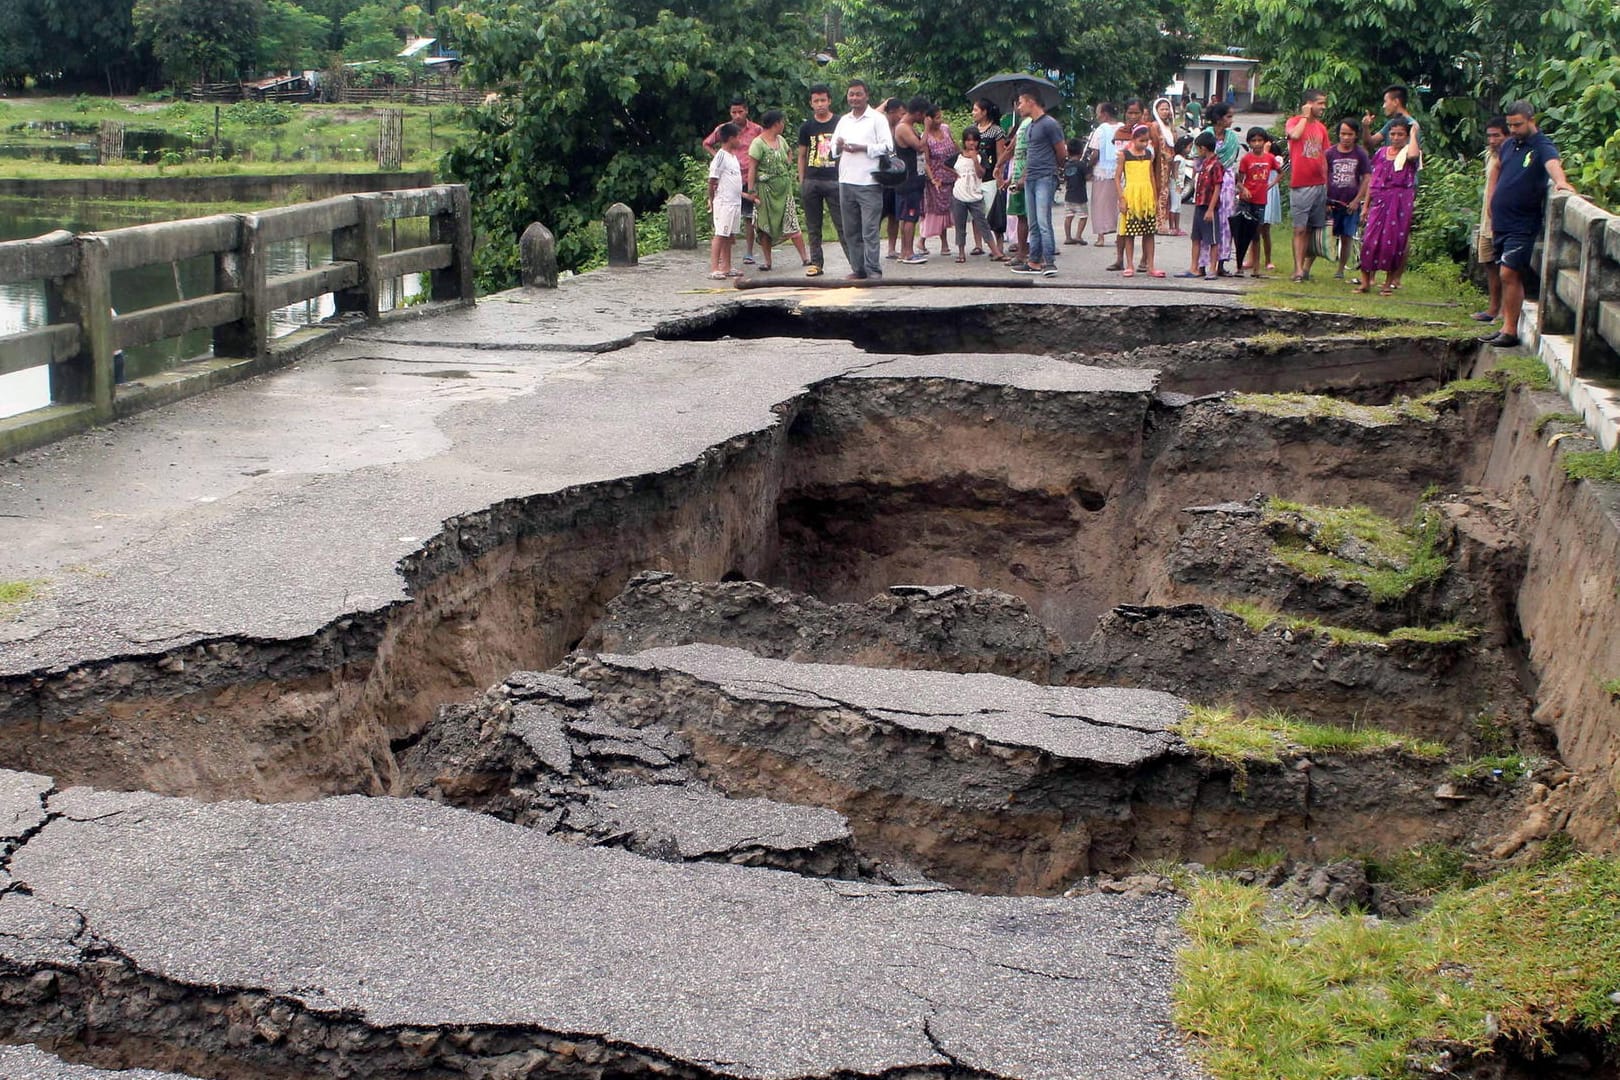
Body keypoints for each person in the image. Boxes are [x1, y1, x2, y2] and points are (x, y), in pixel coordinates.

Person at [1484, 101, 1578, 348]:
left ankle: (1510, 330)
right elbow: (1498, 170)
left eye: (1518, 124)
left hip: (1523, 223)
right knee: (1504, 274)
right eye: (1510, 124)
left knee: (1509, 272)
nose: (1513, 129)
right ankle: (1506, 324)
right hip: (1502, 220)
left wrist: (1561, 181)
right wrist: (1492, 201)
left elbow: (1552, 163)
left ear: (1531, 120)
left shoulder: (1541, 145)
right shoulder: (1509, 146)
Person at [832, 79, 893, 281]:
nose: (854, 98)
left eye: (858, 94)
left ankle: (873, 269)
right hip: (846, 181)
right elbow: (832, 150)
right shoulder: (844, 120)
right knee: (851, 230)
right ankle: (858, 269)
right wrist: (839, 146)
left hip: (870, 182)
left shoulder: (877, 119)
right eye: (851, 94)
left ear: (867, 95)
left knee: (870, 230)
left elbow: (888, 147)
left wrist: (863, 148)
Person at [1356, 117, 1421, 295]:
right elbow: (1372, 181)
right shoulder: (1381, 153)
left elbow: (1414, 155)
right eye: (1392, 134)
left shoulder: (1410, 154)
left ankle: (1387, 284)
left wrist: (1414, 133)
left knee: (1393, 242)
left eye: (1401, 134)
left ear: (1406, 136)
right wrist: (1365, 206)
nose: (1396, 137)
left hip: (1400, 203)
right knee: (1369, 240)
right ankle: (1365, 282)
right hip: (1379, 200)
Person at [747, 110, 810, 272]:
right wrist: (751, 190)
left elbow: (789, 152)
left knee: (791, 222)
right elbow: (752, 167)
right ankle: (768, 262)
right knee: (764, 226)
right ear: (776, 123)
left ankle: (805, 258)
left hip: (783, 189)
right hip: (765, 191)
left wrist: (787, 164)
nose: (783, 125)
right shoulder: (758, 143)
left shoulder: (781, 140)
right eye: (782, 122)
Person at [703, 97, 764, 264]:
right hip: (727, 184)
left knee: (748, 217)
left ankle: (748, 253)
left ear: (746, 111)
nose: (737, 116)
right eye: (733, 112)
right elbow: (707, 143)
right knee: (723, 230)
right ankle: (718, 265)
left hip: (747, 177)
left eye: (740, 112)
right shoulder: (724, 131)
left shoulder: (756, 129)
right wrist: (719, 158)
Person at [1013, 89, 1065, 275]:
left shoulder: (1049, 124)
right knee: (1033, 222)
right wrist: (1023, 176)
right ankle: (1034, 261)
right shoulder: (1030, 127)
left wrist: (1055, 169)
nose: (1019, 107)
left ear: (1030, 101)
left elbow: (1061, 151)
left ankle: (1049, 261)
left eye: (1020, 102)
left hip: (1045, 177)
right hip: (1031, 178)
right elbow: (1031, 154)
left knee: (1044, 221)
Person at [797, 83, 843, 278]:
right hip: (812, 180)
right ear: (811, 103)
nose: (820, 104)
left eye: (823, 100)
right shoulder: (807, 127)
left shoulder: (840, 123)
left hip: (835, 180)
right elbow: (802, 155)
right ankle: (816, 262)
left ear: (829, 101)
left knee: (842, 224)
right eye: (816, 101)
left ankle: (856, 263)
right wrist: (802, 180)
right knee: (813, 225)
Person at [1285, 88, 1330, 282]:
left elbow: (1325, 155)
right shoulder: (1294, 122)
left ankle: (1305, 268)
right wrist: (1304, 117)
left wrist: (1327, 183)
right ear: (1309, 104)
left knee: (1313, 228)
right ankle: (1296, 269)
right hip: (1301, 184)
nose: (1323, 107)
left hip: (1319, 183)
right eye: (1320, 103)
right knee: (1300, 228)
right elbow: (1294, 136)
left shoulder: (1321, 128)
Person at [1325, 119, 1372, 280]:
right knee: (1322, 232)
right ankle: (1306, 267)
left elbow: (1366, 178)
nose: (1346, 138)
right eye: (1343, 134)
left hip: (1350, 203)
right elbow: (1324, 175)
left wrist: (1357, 200)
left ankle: (1340, 270)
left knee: (1347, 236)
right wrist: (1324, 200)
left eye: (1349, 134)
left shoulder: (1360, 154)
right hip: (1331, 201)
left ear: (1356, 135)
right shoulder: (1330, 153)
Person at [1198, 102, 1241, 276]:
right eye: (1228, 117)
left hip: (1227, 182)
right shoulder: (1206, 135)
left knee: (1225, 222)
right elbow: (1198, 158)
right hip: (1208, 182)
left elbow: (1232, 159)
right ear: (1218, 118)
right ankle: (1202, 263)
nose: (1231, 120)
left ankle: (1221, 263)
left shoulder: (1232, 138)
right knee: (1206, 222)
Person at [1473, 117, 1508, 323]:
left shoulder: (1510, 157)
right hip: (1486, 220)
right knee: (1488, 263)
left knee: (1505, 267)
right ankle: (1493, 308)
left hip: (1501, 220)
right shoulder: (1490, 155)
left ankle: (1504, 310)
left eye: (1497, 135)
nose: (1493, 140)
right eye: (1490, 136)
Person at [1233, 127, 1281, 277]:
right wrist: (1243, 189)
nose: (1257, 144)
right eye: (1254, 141)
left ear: (1265, 142)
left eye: (1260, 140)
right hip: (1246, 200)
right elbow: (1239, 180)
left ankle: (1256, 269)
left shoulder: (1270, 158)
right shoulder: (1246, 159)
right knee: (1242, 234)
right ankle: (1239, 267)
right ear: (1249, 143)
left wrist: (1271, 185)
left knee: (1256, 234)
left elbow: (1280, 172)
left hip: (1261, 201)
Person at [1117, 124, 1162, 277]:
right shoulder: (1124, 155)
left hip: (1147, 195)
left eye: (1147, 141)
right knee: (1130, 233)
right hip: (1132, 195)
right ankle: (1129, 265)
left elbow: (1151, 176)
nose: (1144, 144)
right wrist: (1121, 198)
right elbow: (1117, 178)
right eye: (1141, 141)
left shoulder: (1149, 154)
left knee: (1149, 233)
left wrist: (1155, 200)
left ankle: (1151, 266)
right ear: (1134, 139)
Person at [951, 128, 1003, 261]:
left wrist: (975, 160)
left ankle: (996, 251)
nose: (971, 143)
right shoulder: (958, 156)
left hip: (975, 195)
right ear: (964, 142)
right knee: (960, 225)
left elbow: (981, 173)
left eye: (974, 140)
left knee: (983, 223)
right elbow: (946, 164)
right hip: (959, 195)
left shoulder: (981, 156)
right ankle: (961, 253)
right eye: (968, 140)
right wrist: (955, 175)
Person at [706, 123, 747, 279]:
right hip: (724, 202)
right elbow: (712, 181)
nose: (740, 140)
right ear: (731, 138)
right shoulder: (720, 156)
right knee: (720, 234)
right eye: (738, 137)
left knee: (729, 236)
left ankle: (727, 266)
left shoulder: (733, 157)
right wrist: (711, 200)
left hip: (735, 202)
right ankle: (715, 267)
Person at [891, 97, 929, 264]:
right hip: (908, 180)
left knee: (908, 216)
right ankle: (907, 252)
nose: (924, 119)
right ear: (918, 113)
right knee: (909, 216)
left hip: (914, 178)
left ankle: (905, 251)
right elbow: (920, 146)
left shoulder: (909, 127)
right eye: (923, 115)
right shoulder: (903, 128)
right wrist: (927, 129)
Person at [1181, 131, 1223, 280]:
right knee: (1196, 237)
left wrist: (1211, 209)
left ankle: (1213, 268)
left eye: (1198, 148)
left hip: (1209, 206)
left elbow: (1217, 187)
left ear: (1203, 148)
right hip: (1199, 204)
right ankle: (1194, 267)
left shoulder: (1216, 165)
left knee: (1212, 239)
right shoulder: (1204, 163)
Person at [1111, 99, 1147, 271]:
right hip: (1125, 182)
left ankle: (1145, 260)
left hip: (1144, 182)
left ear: (1142, 113)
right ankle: (1120, 259)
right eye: (1130, 113)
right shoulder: (1120, 133)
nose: (1133, 116)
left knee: (1147, 223)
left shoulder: (1147, 132)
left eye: (1136, 113)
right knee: (1123, 223)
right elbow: (1117, 160)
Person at [920, 102, 958, 257]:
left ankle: (939, 242)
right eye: (936, 118)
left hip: (951, 175)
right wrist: (932, 179)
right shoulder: (925, 137)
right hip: (936, 178)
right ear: (928, 119)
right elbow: (926, 161)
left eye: (940, 116)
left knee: (948, 210)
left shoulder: (946, 129)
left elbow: (955, 147)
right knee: (937, 211)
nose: (940, 120)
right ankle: (930, 241)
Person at [971, 99, 1007, 257]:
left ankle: (998, 244)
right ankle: (978, 244)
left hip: (991, 175)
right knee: (975, 211)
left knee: (994, 211)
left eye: (975, 110)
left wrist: (999, 173)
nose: (973, 113)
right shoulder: (972, 131)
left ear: (984, 112)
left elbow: (1000, 154)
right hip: (975, 176)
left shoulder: (996, 131)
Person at [1087, 102, 1122, 248]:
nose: (1097, 116)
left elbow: (1095, 153)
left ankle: (1101, 237)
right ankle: (1120, 235)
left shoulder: (1100, 130)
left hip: (1102, 171)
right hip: (1120, 171)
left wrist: (1089, 167)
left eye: (1098, 113)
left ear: (1105, 114)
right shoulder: (1123, 127)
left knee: (1100, 204)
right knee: (1119, 204)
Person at [1150, 97, 1181, 235]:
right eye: (1162, 109)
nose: (1165, 111)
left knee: (1165, 193)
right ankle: (1158, 223)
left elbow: (1174, 145)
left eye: (1167, 109)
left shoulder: (1170, 127)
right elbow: (1154, 146)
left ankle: (1161, 222)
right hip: (1159, 165)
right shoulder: (1155, 126)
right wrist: (1163, 155)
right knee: (1159, 193)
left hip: (1168, 165)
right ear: (1156, 110)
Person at [1363, 85, 1421, 155]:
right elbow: (1370, 143)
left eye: (1385, 101)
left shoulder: (1412, 124)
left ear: (1396, 102)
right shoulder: (1391, 123)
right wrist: (1366, 127)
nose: (1384, 106)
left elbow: (1411, 155)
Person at [1063, 137, 1090, 245]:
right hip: (1080, 197)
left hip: (1068, 196)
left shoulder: (1067, 165)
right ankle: (1078, 236)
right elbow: (1087, 177)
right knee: (1083, 216)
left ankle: (1068, 237)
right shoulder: (1081, 165)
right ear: (1081, 151)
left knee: (1068, 216)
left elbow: (1065, 178)